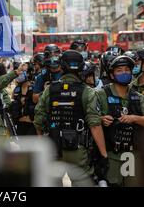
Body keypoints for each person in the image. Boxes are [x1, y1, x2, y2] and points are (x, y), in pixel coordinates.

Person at [34, 50, 109, 185]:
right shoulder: (87, 91)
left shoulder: (49, 90)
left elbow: (38, 120)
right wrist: (104, 154)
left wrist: (43, 143)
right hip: (78, 149)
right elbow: (95, 124)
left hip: (53, 147)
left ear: (61, 66)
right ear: (81, 67)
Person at [92, 56, 144, 186]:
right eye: (119, 70)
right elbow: (90, 118)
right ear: (112, 74)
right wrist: (101, 119)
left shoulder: (137, 97)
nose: (124, 73)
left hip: (132, 155)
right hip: (110, 154)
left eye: (127, 69)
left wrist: (134, 118)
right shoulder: (101, 94)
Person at [9, 63, 37, 135]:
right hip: (20, 125)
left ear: (29, 73)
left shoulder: (35, 88)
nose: (19, 73)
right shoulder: (16, 89)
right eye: (19, 70)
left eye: (22, 71)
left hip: (33, 126)